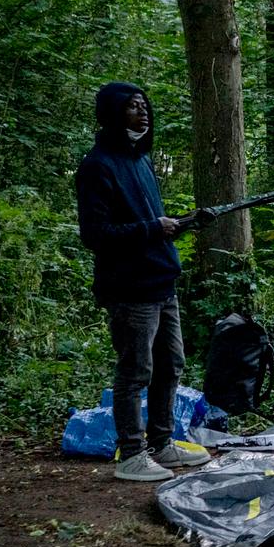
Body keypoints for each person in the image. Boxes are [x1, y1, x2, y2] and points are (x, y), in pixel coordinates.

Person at [75, 82, 210, 482]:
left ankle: (162, 445)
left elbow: (150, 224)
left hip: (161, 280)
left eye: (144, 106)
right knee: (136, 371)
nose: (143, 112)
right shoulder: (97, 166)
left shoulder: (141, 160)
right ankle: (132, 454)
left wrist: (180, 225)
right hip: (129, 288)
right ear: (114, 113)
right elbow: (96, 235)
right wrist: (153, 228)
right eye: (133, 107)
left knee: (171, 364)